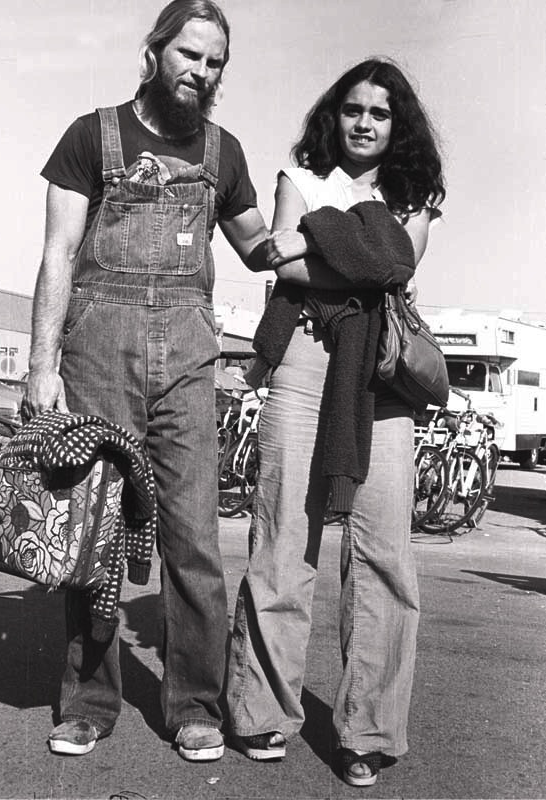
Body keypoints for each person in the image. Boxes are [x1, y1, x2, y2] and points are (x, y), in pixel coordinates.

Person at [23, 0, 270, 762]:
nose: (200, 72)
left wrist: (334, 226)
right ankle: (89, 701)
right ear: (155, 50)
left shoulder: (224, 153)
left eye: (215, 61)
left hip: (190, 359)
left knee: (194, 535)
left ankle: (197, 704)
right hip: (98, 350)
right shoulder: (89, 135)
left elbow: (259, 246)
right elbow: (59, 255)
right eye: (189, 54)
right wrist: (41, 366)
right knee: (93, 528)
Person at [226, 59, 445, 786]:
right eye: (352, 108)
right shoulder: (302, 174)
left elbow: (394, 269)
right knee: (284, 537)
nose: (362, 123)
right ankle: (262, 713)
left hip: (378, 374)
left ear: (397, 124)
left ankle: (367, 730)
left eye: (379, 114)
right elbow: (282, 269)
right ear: (334, 112)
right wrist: (341, 246)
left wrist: (310, 238)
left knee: (382, 554)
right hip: (302, 359)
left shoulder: (414, 191)